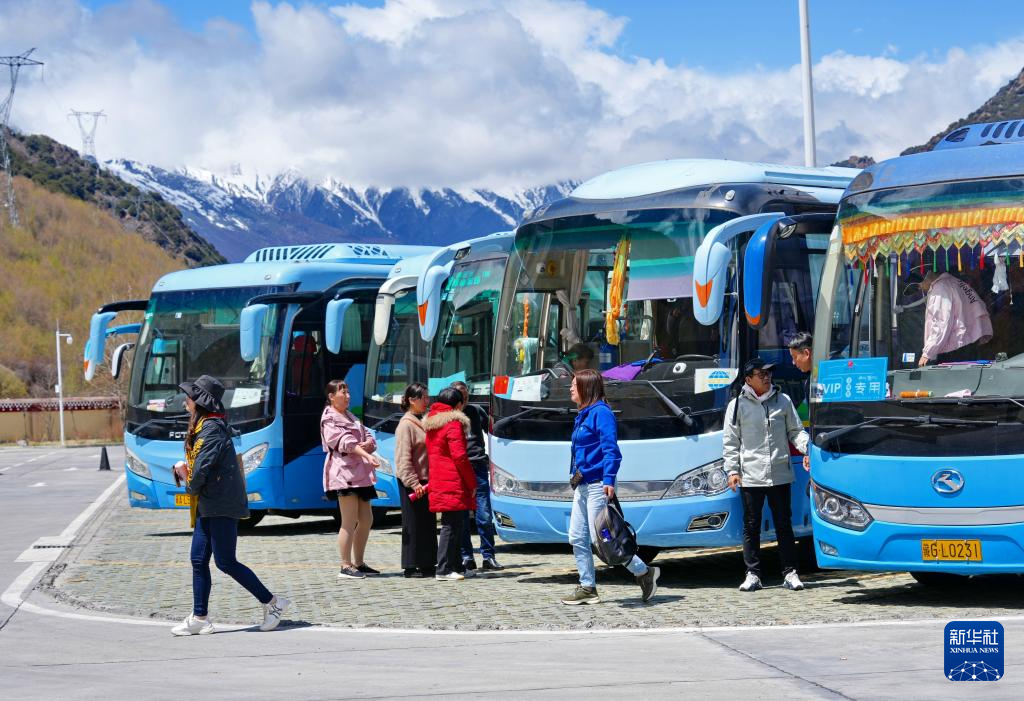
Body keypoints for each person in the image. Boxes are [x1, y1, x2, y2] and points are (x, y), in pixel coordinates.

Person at [170, 375, 289, 635]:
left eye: (190, 397)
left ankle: (273, 603)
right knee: (198, 559)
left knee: (225, 561)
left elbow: (202, 469)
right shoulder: (205, 426)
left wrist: (187, 477)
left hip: (221, 503)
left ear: (200, 401)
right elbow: (203, 466)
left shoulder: (211, 429)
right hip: (209, 502)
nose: (186, 401)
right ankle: (200, 617)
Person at [560, 369, 660, 605]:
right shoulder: (584, 414)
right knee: (576, 536)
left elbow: (611, 450)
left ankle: (644, 572)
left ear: (586, 387)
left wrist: (608, 479)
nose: (570, 388)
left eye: (574, 385)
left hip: (597, 485)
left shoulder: (601, 413)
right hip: (583, 485)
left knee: (604, 540)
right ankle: (587, 587)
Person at [723, 358, 809, 593]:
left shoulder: (783, 400)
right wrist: (732, 471)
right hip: (750, 475)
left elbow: (796, 431)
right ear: (748, 379)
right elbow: (731, 442)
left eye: (769, 373)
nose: (767, 377)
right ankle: (753, 574)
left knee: (784, 524)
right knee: (751, 526)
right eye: (761, 374)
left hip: (780, 473)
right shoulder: (737, 405)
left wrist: (807, 448)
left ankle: (790, 573)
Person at [321, 379, 381, 579]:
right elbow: (344, 442)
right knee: (349, 521)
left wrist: (368, 445)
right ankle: (345, 565)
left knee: (366, 519)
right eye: (343, 392)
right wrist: (366, 454)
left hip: (361, 474)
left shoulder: (351, 415)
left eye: (348, 392)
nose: (347, 396)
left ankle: (359, 562)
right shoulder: (328, 418)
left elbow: (368, 436)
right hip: (343, 474)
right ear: (331, 397)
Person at [423, 387, 477, 581]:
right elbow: (460, 456)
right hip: (452, 480)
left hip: (439, 478)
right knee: (451, 525)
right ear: (458, 404)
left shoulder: (433, 422)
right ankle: (444, 569)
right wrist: (471, 482)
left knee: (454, 524)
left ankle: (454, 566)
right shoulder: (453, 423)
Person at [452, 380, 503, 572]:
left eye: (466, 395)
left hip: (478, 466)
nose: (464, 399)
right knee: (463, 516)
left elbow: (490, 432)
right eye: (461, 396)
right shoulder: (449, 416)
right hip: (459, 469)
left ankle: (488, 556)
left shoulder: (476, 411)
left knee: (484, 515)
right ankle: (466, 556)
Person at [394, 382, 436, 578]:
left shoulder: (424, 420)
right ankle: (410, 565)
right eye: (423, 398)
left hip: (426, 480)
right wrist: (413, 482)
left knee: (427, 523)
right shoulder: (406, 424)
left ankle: (427, 563)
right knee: (412, 524)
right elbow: (403, 458)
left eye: (428, 397)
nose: (427, 401)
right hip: (412, 482)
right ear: (412, 400)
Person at [918, 271, 993, 366]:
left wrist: (928, 352)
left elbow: (942, 322)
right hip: (969, 340)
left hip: (956, 344)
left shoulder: (941, 288)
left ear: (925, 278)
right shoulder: (955, 282)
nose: (919, 288)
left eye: (918, 285)